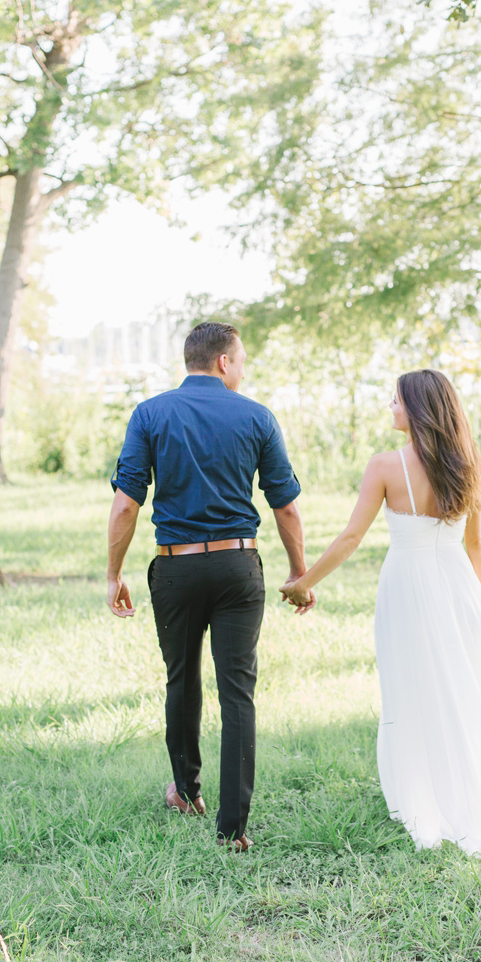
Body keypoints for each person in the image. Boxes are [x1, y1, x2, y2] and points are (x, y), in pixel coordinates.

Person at [278, 369, 481, 858]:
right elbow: (475, 545)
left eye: (396, 401)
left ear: (418, 409)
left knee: (412, 689)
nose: (390, 408)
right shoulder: (468, 464)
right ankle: (462, 788)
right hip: (461, 588)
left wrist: (302, 584)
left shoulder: (385, 466)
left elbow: (350, 539)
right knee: (461, 691)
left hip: (407, 588)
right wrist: (470, 605)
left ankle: (424, 797)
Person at [106, 321, 310, 852]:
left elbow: (127, 502)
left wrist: (113, 574)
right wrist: (298, 573)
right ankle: (232, 827)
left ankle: (188, 792)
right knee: (237, 691)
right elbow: (284, 504)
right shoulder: (256, 416)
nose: (242, 370)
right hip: (239, 569)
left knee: (182, 678)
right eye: (241, 360)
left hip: (176, 568)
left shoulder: (150, 414)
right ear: (224, 362)